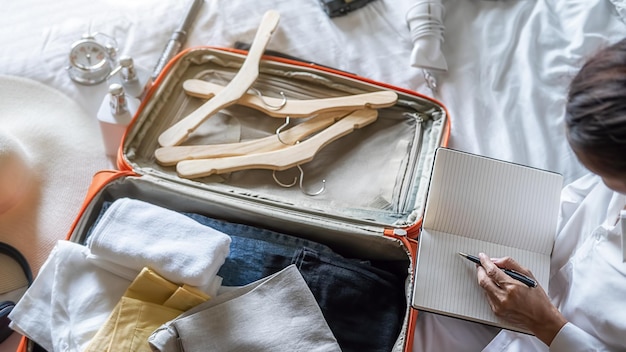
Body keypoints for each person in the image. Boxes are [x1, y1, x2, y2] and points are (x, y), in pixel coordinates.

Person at [413, 39, 626, 351]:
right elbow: (582, 203)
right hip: (516, 289)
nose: (603, 185)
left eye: (610, 179)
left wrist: (547, 325)